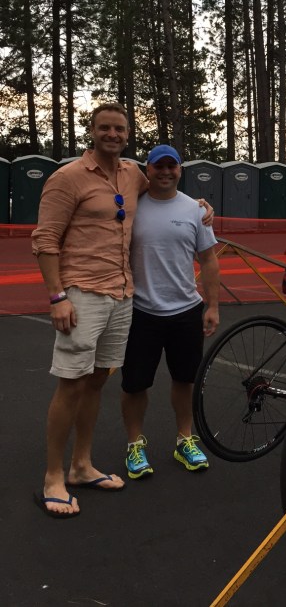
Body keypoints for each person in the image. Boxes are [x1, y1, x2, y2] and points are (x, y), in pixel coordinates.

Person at [31, 104, 213, 518]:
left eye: (119, 129)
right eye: (104, 128)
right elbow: (45, 239)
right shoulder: (68, 178)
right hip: (81, 292)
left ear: (127, 135)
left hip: (122, 295)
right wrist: (57, 297)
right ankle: (53, 478)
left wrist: (198, 204)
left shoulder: (132, 175)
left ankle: (81, 465)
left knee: (96, 381)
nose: (112, 134)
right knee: (71, 383)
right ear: (92, 131)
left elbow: (166, 189)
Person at [121, 145, 220, 479]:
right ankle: (135, 444)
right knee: (135, 385)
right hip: (140, 311)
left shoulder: (195, 209)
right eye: (158, 166)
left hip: (186, 311)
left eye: (171, 166)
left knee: (184, 380)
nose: (165, 172)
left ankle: (184, 440)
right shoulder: (132, 206)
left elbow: (208, 259)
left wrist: (213, 305)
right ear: (147, 170)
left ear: (180, 170)